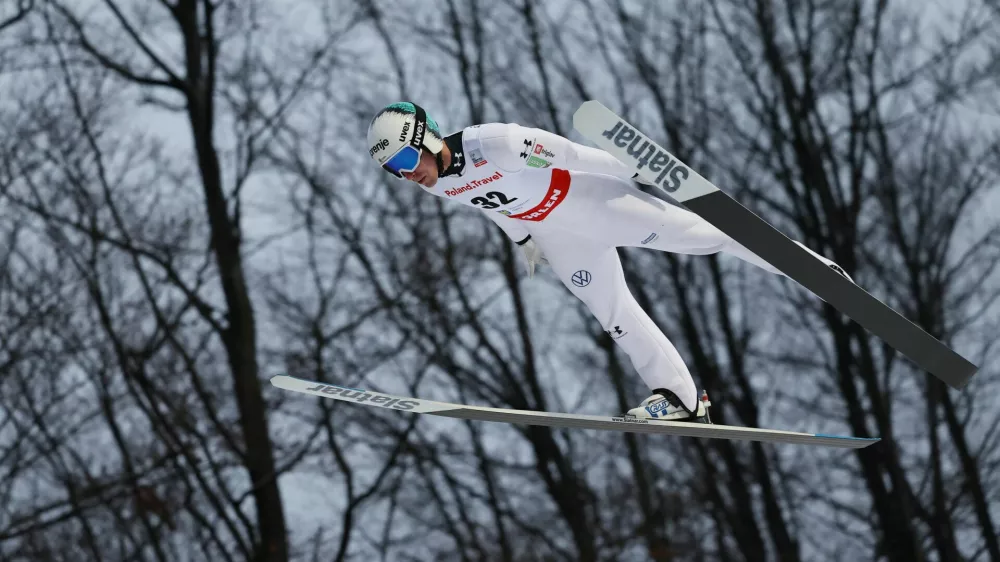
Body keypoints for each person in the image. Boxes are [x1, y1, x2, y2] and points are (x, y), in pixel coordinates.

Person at [366, 102, 852, 423]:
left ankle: (810, 269)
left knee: (706, 237)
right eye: (395, 173)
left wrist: (634, 169)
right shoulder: (442, 183)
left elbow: (574, 155)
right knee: (613, 314)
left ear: (426, 139)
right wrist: (524, 243)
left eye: (408, 163)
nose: (410, 177)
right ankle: (681, 398)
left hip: (590, 203)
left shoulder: (496, 145)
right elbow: (492, 207)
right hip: (556, 235)